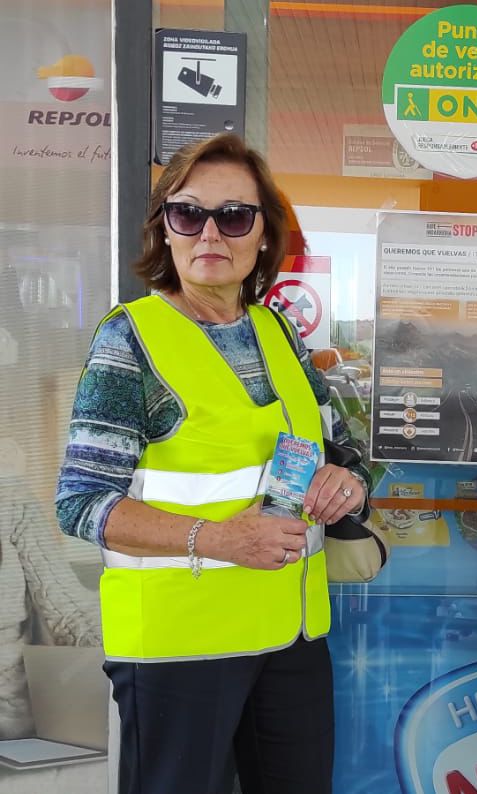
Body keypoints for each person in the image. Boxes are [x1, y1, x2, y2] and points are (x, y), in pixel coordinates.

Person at [56, 133, 370, 794]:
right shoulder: (130, 338)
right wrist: (221, 539)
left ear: (262, 235)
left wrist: (347, 484)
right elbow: (80, 502)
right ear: (163, 229)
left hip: (290, 638)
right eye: (187, 213)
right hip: (179, 648)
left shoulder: (277, 331)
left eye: (233, 216)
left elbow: (339, 449)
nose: (209, 233)